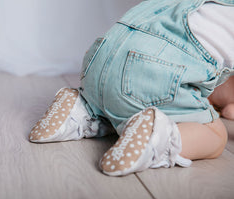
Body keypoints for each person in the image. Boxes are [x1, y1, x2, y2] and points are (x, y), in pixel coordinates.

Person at [29, 0, 234, 176]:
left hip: (100, 57)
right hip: (153, 72)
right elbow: (229, 110)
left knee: (127, 101)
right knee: (215, 134)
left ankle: (82, 109)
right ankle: (159, 136)